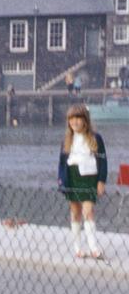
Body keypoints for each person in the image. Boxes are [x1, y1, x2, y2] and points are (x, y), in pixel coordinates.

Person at [58, 103, 109, 261]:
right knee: (75, 212)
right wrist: (61, 181)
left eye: (78, 118)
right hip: (72, 177)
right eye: (71, 119)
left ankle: (93, 248)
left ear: (85, 120)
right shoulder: (67, 139)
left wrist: (101, 180)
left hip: (89, 177)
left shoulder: (96, 138)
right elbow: (62, 162)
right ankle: (78, 247)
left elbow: (103, 160)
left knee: (88, 211)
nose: (75, 122)